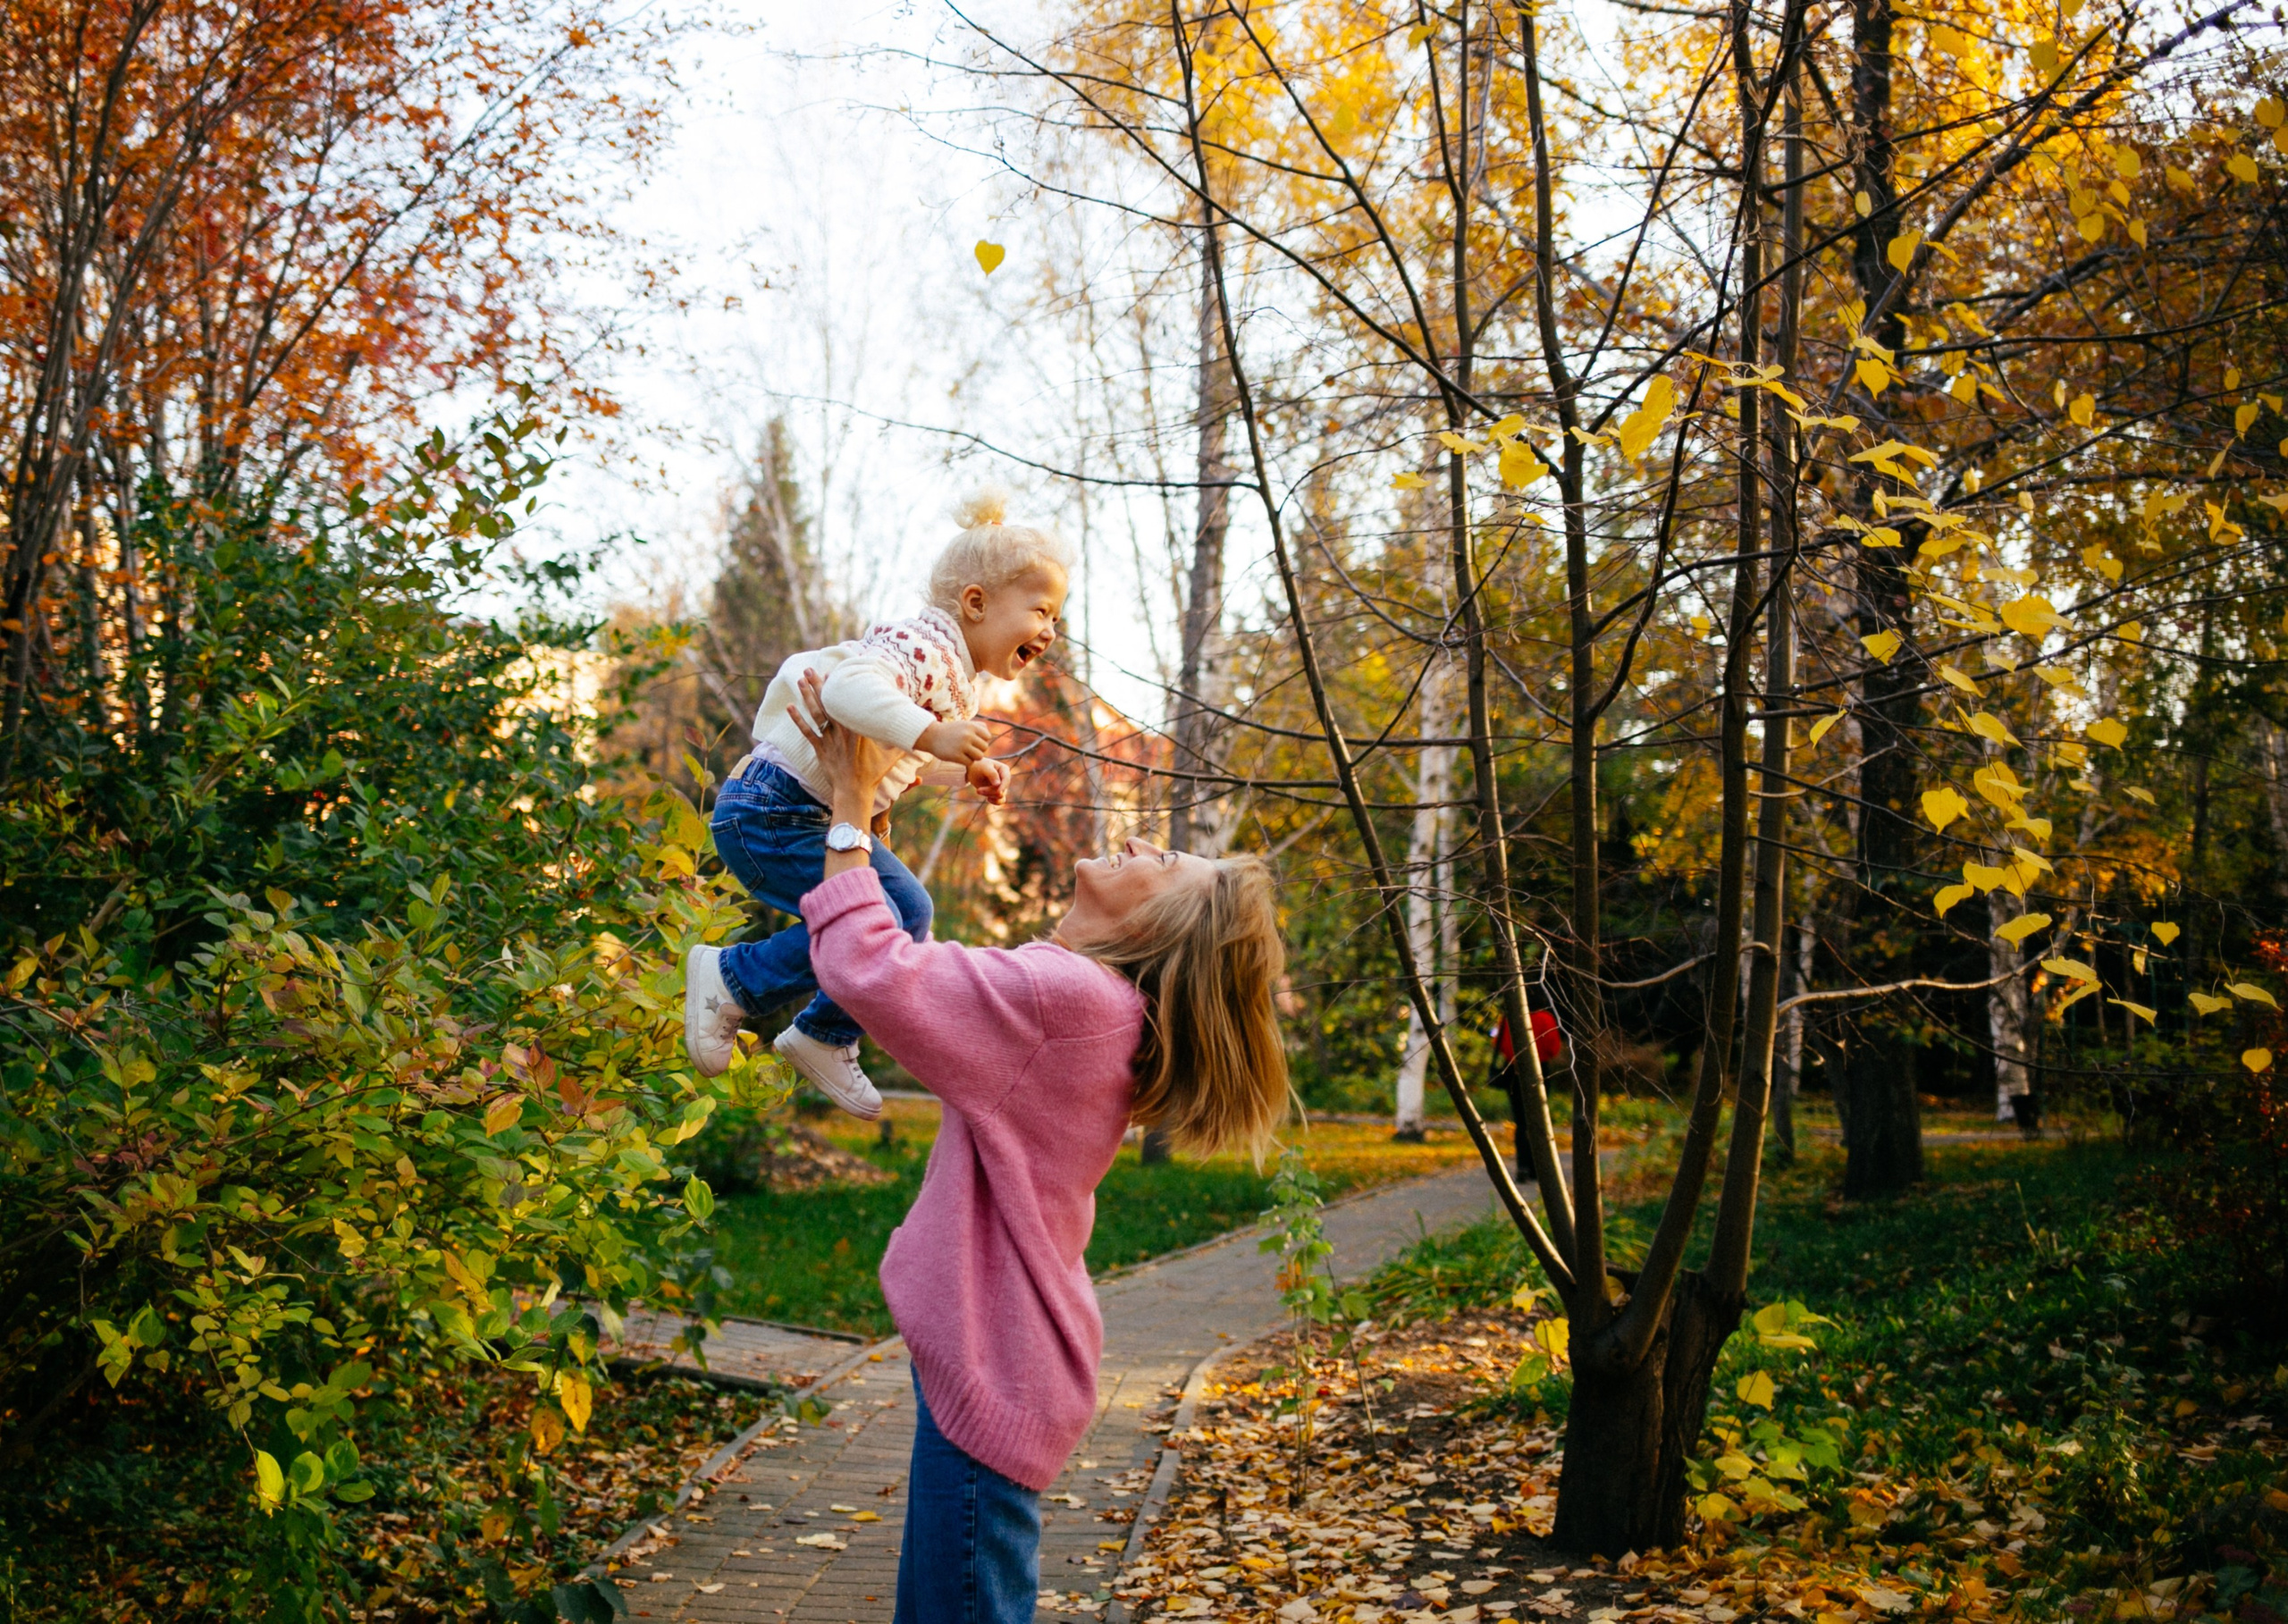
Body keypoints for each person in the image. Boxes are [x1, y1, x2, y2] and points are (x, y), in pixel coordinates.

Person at [784, 668, 1291, 1624]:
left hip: (1000, 1359)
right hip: (1011, 1358)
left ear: (1164, 920)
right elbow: (916, 973)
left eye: (1172, 856)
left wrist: (851, 800)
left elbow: (868, 968)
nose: (1148, 836)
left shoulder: (1076, 1003)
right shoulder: (1088, 1007)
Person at [682, 488, 1069, 1119]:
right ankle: (734, 978)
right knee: (876, 920)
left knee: (910, 912)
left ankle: (822, 1033)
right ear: (976, 602)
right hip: (772, 811)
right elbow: (848, 690)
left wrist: (961, 769)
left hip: (801, 810)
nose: (1050, 630)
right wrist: (936, 733)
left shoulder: (955, 676)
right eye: (1041, 610)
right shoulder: (924, 647)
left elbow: (897, 756)